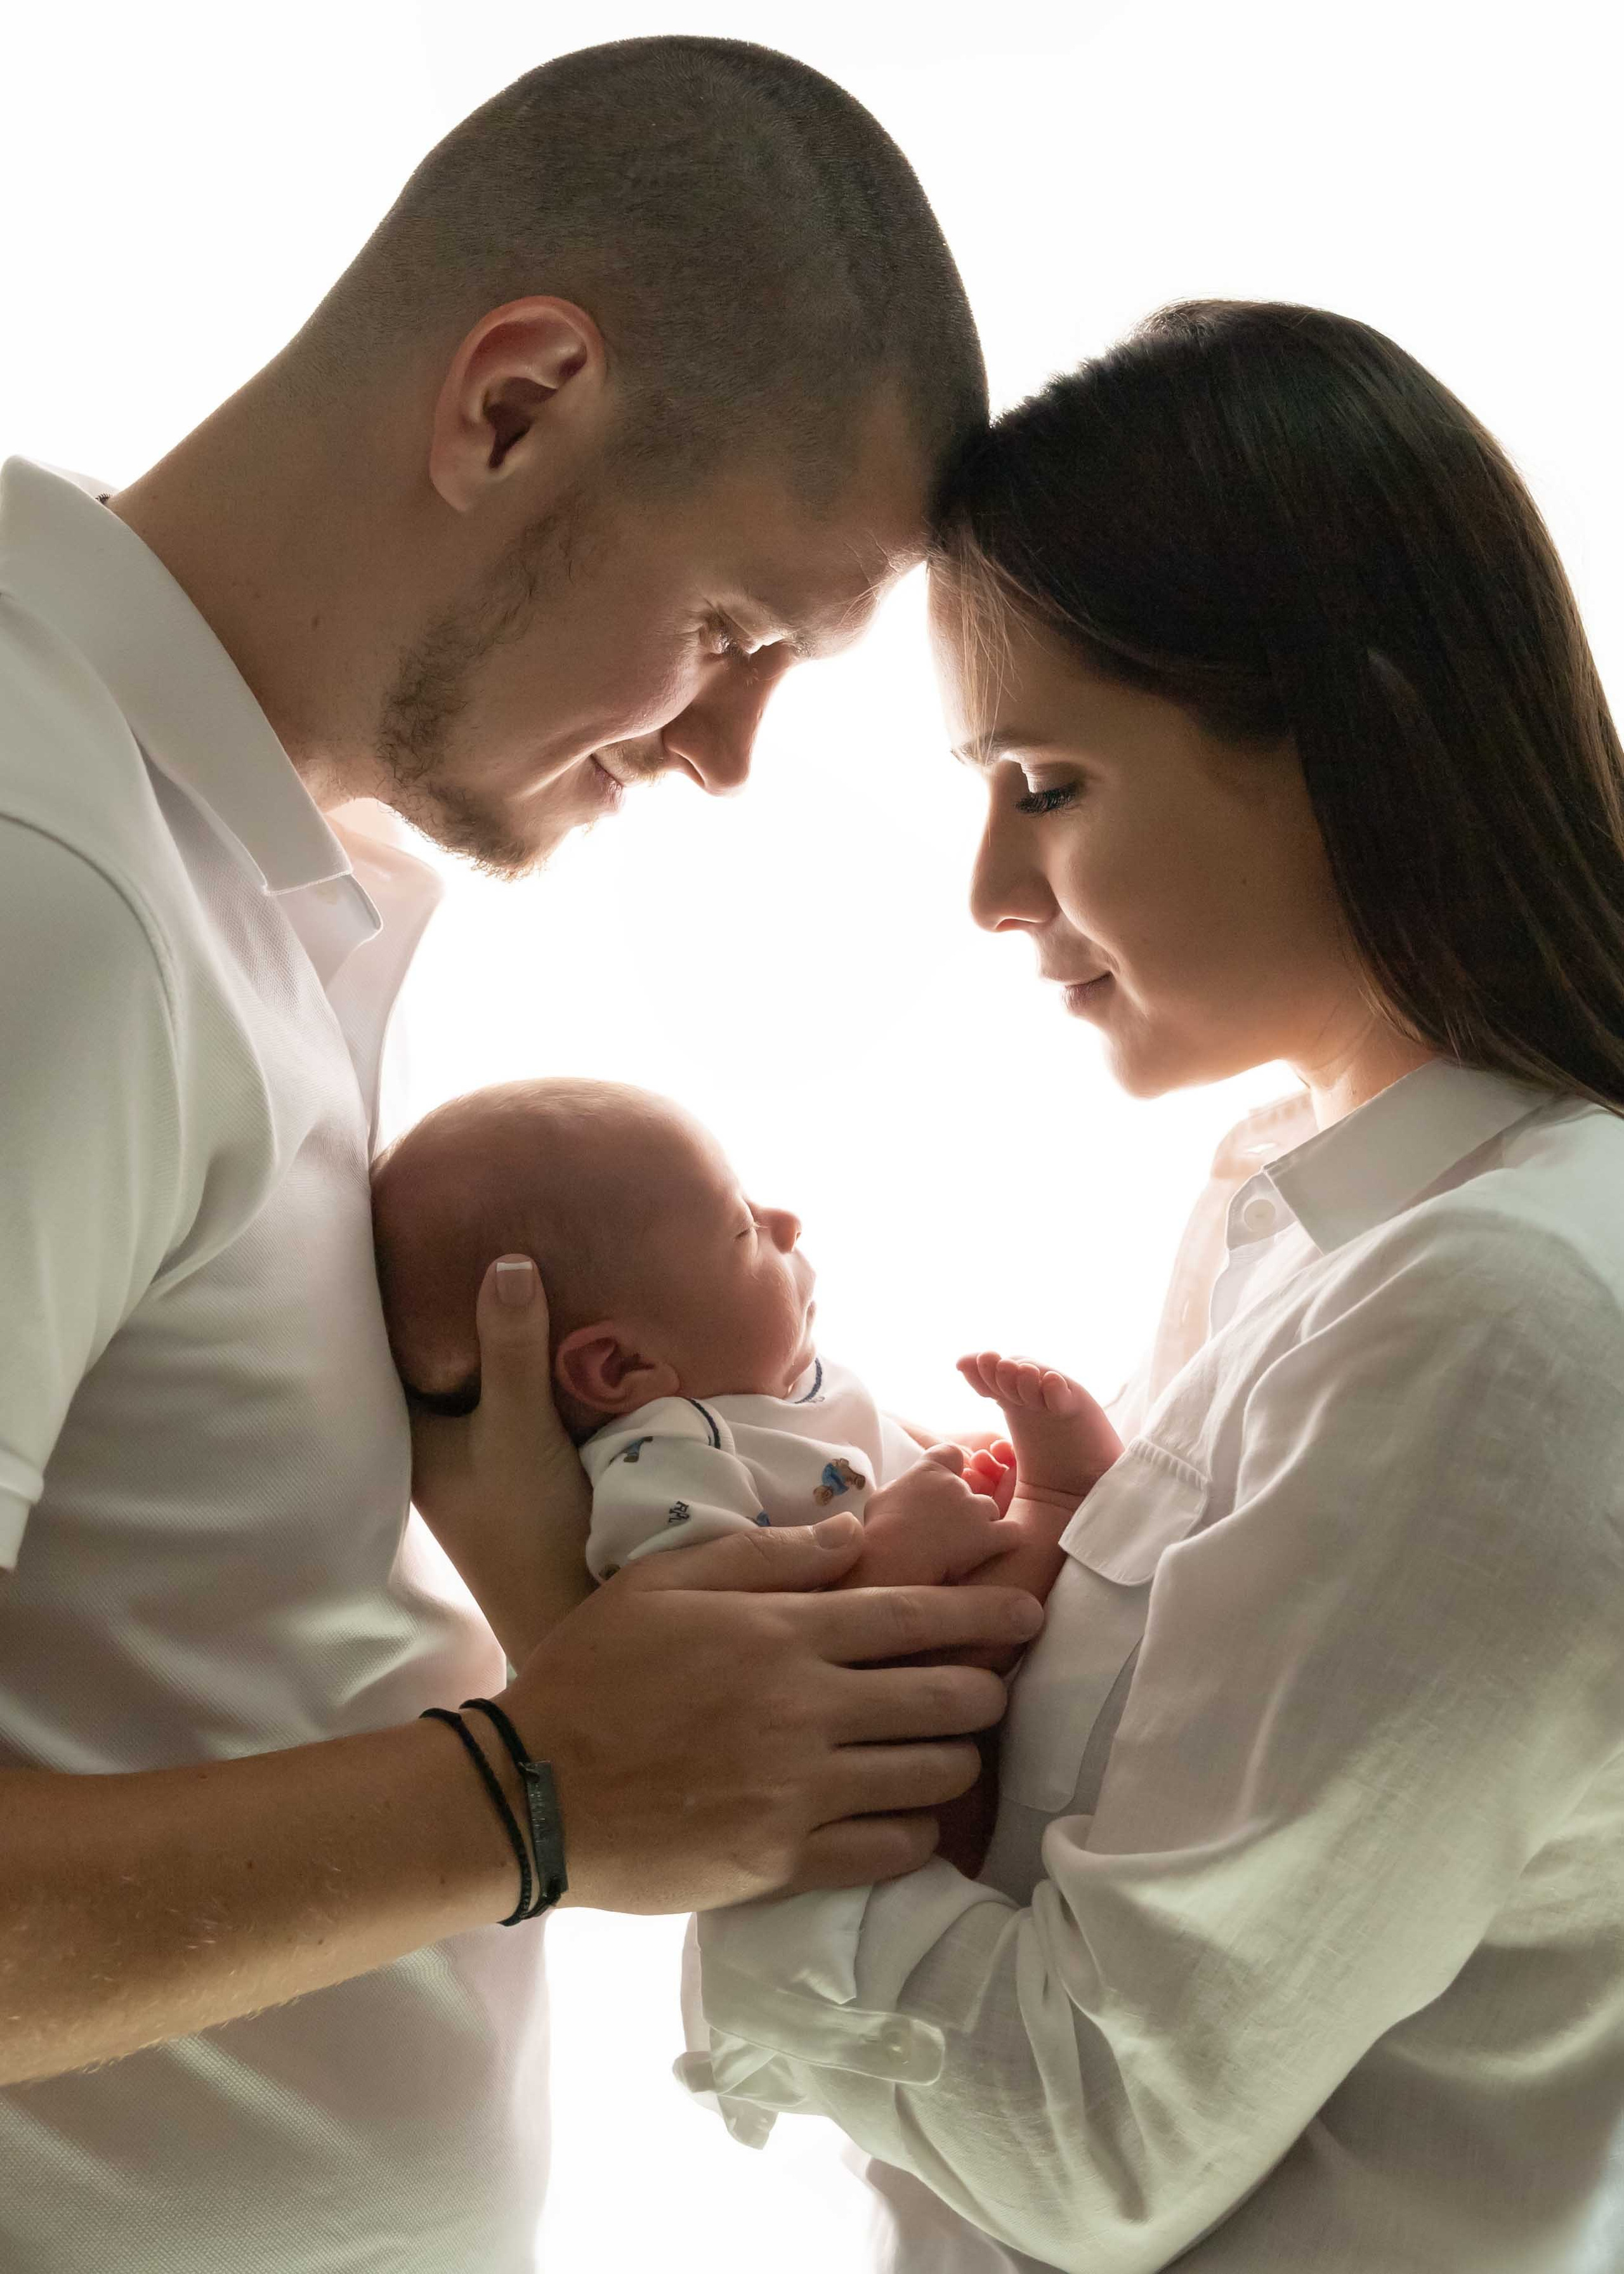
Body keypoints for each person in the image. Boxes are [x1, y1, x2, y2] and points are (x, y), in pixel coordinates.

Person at [0, 38, 1047, 2274]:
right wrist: (540, 1792)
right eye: (737, 631)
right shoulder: (48, 883)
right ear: (510, 403)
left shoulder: (231, 866)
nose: (735, 752)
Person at [677, 301, 1624, 2271]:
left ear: (1344, 738)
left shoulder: (1507, 1315)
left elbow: (1101, 2131)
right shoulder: (1295, 1202)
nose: (989, 895)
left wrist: (682, 1777)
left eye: (1045, 780)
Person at [368, 1076, 1120, 1617]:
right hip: (874, 1716)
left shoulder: (781, 1385)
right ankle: (1059, 1497)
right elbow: (743, 1650)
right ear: (621, 1366)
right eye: (743, 1227)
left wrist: (959, 1455)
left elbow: (857, 1443)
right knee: (985, 1628)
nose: (786, 1221)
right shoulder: (663, 1463)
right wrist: (899, 1548)